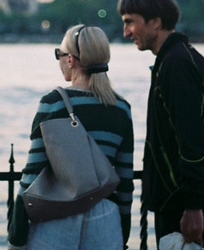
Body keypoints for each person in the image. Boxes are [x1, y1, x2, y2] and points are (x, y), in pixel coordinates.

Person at [117, 0, 204, 249]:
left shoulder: (176, 65)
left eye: (130, 22)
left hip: (181, 205)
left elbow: (193, 141)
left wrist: (192, 206)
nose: (126, 32)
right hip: (182, 200)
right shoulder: (180, 60)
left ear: (155, 22)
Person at [8, 25, 134, 250]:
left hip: (57, 217)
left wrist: (17, 236)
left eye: (59, 54)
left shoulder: (53, 102)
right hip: (106, 219)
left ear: (70, 60)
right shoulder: (122, 109)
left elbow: (32, 174)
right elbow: (125, 179)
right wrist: (122, 229)